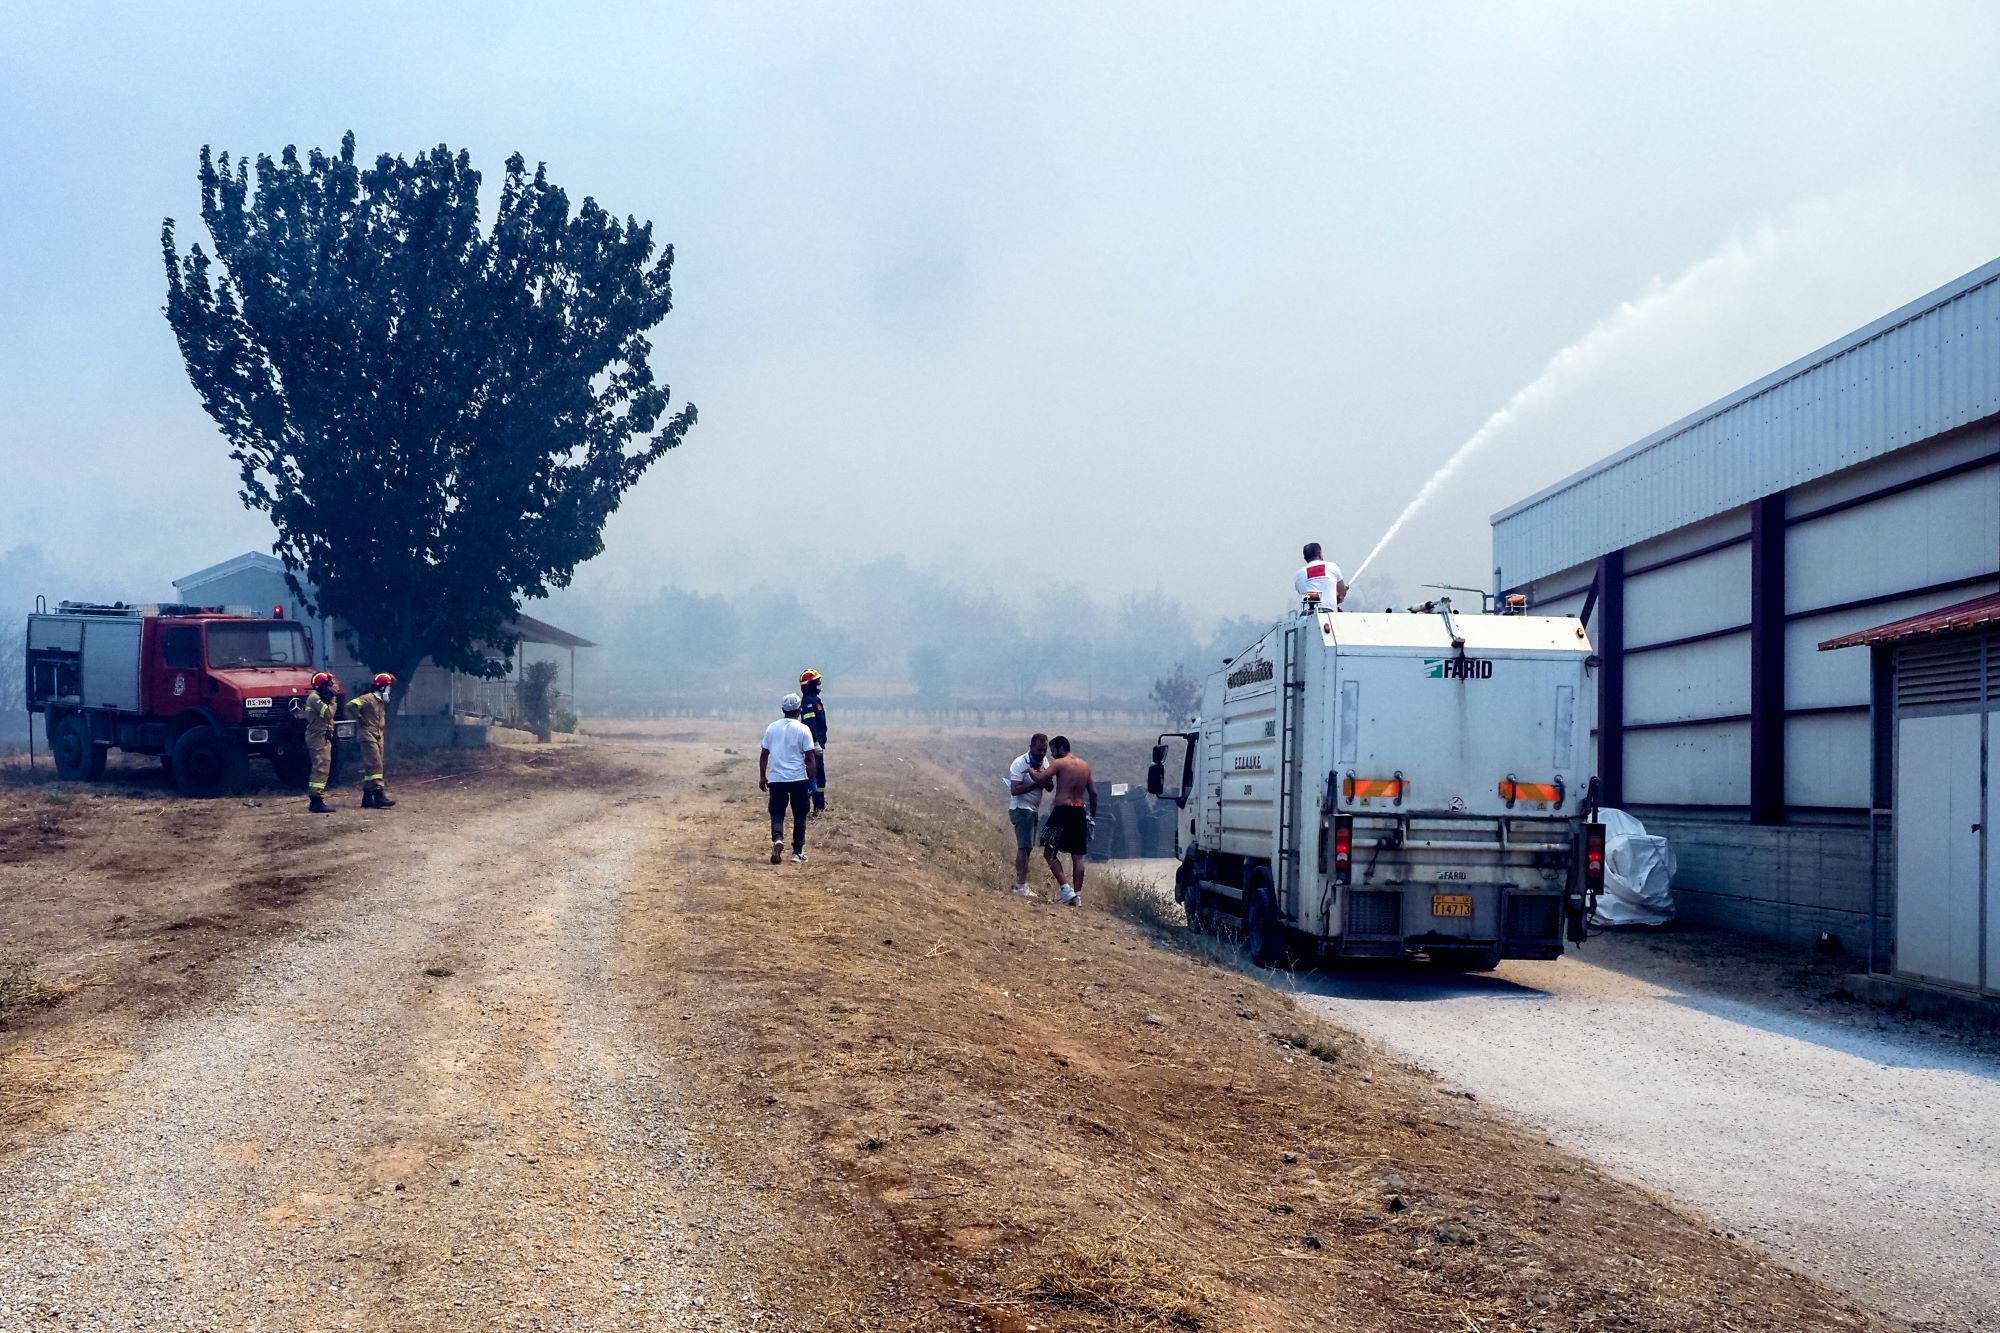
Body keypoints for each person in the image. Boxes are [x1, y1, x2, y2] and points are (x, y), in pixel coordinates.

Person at [759, 692, 822, 864]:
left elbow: (764, 754)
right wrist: (813, 781)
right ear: (799, 710)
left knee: (777, 812)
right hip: (798, 779)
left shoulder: (772, 727)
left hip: (777, 779)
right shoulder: (803, 729)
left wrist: (762, 777)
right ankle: (797, 852)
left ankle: (778, 839)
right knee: (800, 814)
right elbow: (810, 758)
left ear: (782, 710)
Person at [1038, 736, 1096, 906]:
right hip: (1079, 812)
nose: (1052, 754)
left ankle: (1066, 890)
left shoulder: (1060, 763)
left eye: (1053, 750)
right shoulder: (1085, 766)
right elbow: (1093, 794)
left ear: (1061, 748)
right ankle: (1077, 896)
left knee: (1048, 851)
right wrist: (1092, 816)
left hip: (1061, 813)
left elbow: (1042, 778)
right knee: (1078, 856)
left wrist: (1030, 772)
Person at [1005, 733, 1052, 897]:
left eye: (1044, 749)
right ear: (1031, 747)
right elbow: (1015, 790)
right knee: (1024, 847)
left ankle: (1022, 884)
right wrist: (1037, 783)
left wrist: (1039, 778)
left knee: (1028, 848)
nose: (1041, 753)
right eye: (1039, 749)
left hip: (1033, 809)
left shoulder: (1045, 762)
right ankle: (1021, 886)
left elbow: (1050, 786)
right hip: (1021, 808)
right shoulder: (1019, 763)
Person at [346, 672, 397, 809]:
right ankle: (379, 795)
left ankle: (367, 798)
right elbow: (351, 705)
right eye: (389, 686)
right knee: (375, 765)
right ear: (382, 687)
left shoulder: (380, 702)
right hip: (368, 735)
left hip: (378, 735)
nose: (390, 690)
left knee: (371, 770)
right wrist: (359, 718)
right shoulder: (368, 698)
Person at [303, 671, 339, 814]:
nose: (331, 687)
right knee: (320, 767)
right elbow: (328, 714)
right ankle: (316, 800)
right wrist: (332, 699)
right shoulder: (314, 698)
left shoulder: (321, 698)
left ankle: (317, 797)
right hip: (316, 737)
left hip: (323, 736)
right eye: (329, 685)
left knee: (324, 767)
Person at [798, 669, 830, 814]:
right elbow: (810, 724)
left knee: (820, 776)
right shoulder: (809, 702)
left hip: (818, 745)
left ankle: (820, 802)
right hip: (813, 746)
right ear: (810, 684)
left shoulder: (815, 700)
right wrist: (815, 742)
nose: (820, 684)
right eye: (817, 681)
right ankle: (817, 806)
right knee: (816, 776)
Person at [1294, 541, 1349, 610]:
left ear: (1305, 558)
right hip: (1328, 612)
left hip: (1306, 615)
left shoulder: (1298, 575)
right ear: (1319, 554)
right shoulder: (1332, 566)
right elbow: (1342, 593)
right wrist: (1339, 595)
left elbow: (1305, 594)